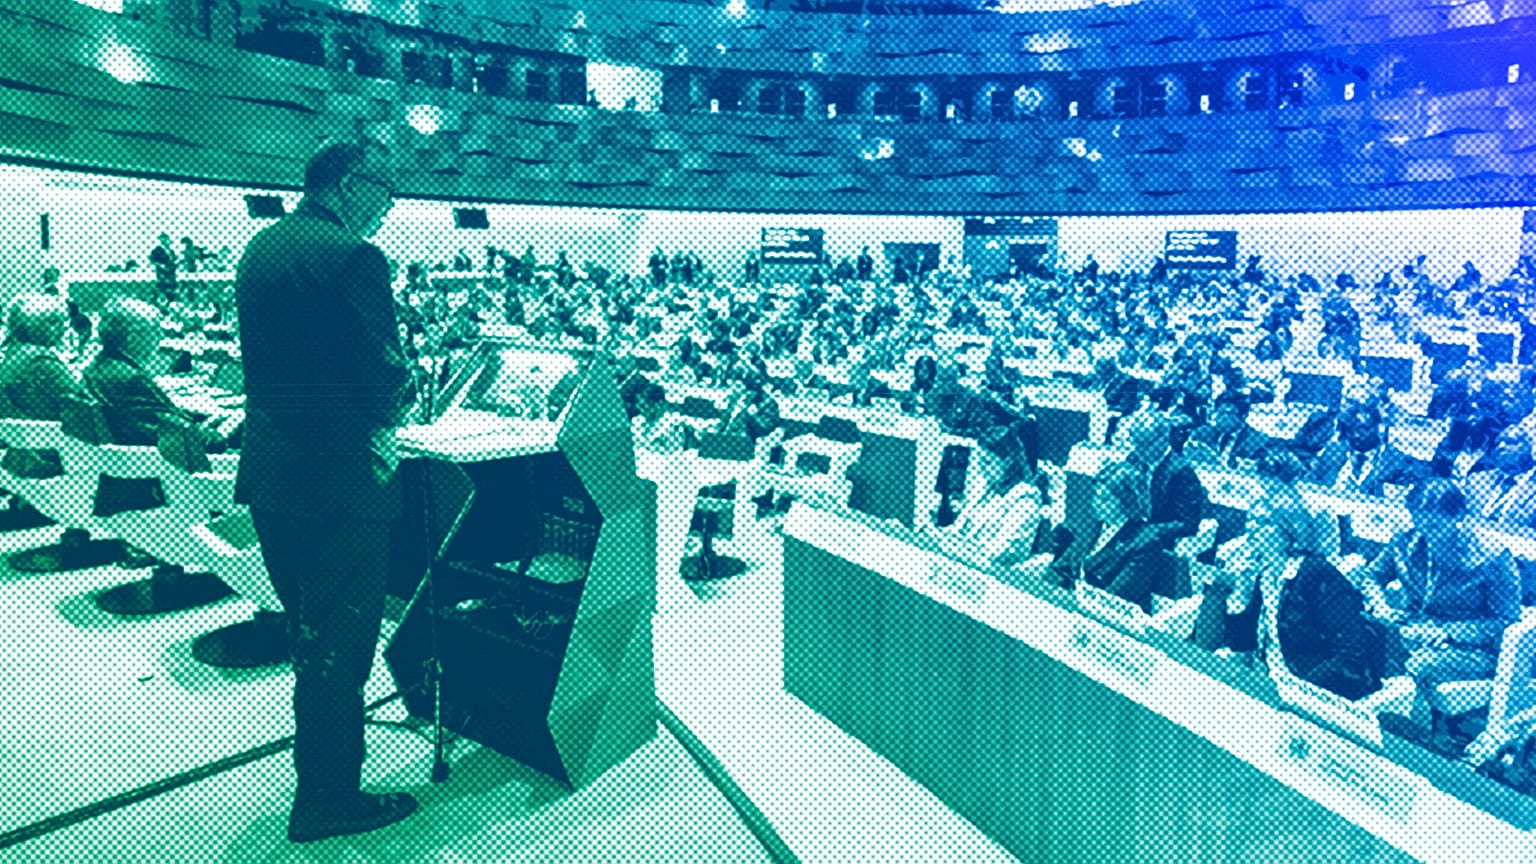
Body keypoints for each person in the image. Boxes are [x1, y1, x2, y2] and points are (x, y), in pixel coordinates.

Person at [233, 140, 418, 843]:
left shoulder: (263, 246)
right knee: (341, 646)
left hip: (275, 476)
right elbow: (381, 371)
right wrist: (394, 411)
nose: (390, 208)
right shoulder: (353, 256)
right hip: (339, 481)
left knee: (311, 637)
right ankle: (328, 798)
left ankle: (323, 777)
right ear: (346, 183)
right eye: (385, 191)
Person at [1357, 479, 1522, 690]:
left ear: (1459, 516)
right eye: (1418, 523)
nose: (1426, 535)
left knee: (1420, 666)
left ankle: (1404, 714)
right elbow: (1372, 576)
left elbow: (1506, 623)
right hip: (1414, 629)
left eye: (1435, 526)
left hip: (1471, 647)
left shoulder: (1492, 558)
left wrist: (1448, 632)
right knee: (1352, 630)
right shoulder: (1404, 543)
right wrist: (1379, 604)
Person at [84, 297, 239, 452]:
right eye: (155, 331)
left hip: (127, 454)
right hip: (169, 465)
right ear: (132, 337)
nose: (159, 338)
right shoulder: (131, 379)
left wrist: (198, 420)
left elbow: (155, 421)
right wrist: (225, 429)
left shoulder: (96, 368)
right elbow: (185, 440)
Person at [1047, 461, 1172, 614]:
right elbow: (1061, 568)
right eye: (1096, 497)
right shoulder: (1094, 525)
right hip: (1077, 609)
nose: (1095, 504)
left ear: (1127, 503)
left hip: (1113, 624)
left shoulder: (1146, 541)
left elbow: (1116, 598)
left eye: (1104, 500)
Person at [0, 294, 86, 478]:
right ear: (29, 326)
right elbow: (82, 401)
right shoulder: (41, 360)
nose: (63, 328)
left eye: (63, 321)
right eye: (52, 321)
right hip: (54, 455)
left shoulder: (14, 354)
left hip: (20, 452)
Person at [149, 233, 177, 306]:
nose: (167, 241)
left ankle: (169, 303)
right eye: (164, 239)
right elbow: (151, 260)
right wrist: (160, 265)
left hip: (171, 273)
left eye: (167, 239)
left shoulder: (171, 250)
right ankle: (157, 302)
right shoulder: (157, 250)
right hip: (162, 273)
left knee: (171, 288)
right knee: (163, 287)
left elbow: (174, 259)